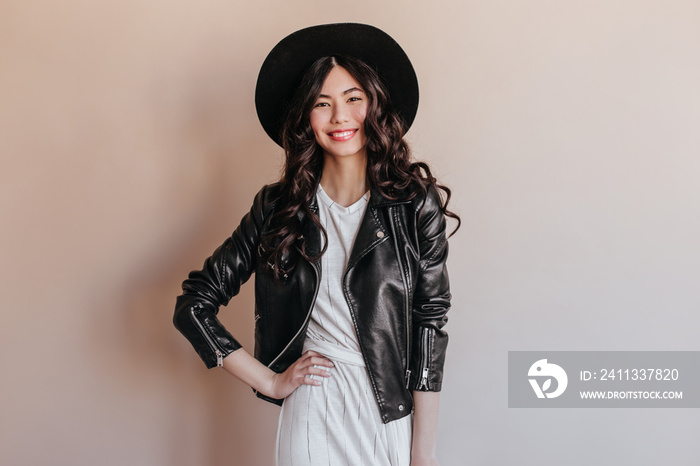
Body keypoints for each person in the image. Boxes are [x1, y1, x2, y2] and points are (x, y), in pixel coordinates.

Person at [173, 23, 460, 466]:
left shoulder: (413, 204)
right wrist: (269, 382)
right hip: (313, 411)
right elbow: (194, 304)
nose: (340, 117)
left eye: (353, 99)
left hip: (388, 411)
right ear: (306, 117)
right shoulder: (277, 208)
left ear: (375, 106)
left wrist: (423, 454)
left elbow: (430, 326)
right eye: (322, 104)